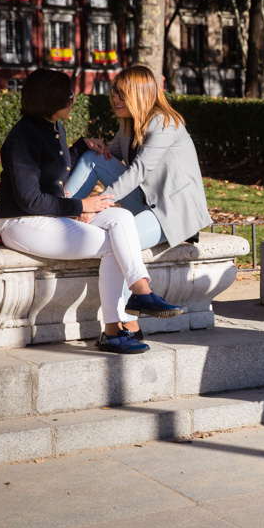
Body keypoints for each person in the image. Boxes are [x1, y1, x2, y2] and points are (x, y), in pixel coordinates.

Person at [0, 68, 183, 355]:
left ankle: (140, 291)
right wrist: (80, 206)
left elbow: (54, 169)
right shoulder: (22, 138)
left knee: (122, 218)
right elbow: (29, 200)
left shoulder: (53, 126)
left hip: (49, 217)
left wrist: (81, 146)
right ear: (49, 99)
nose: (73, 98)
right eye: (68, 95)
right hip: (22, 223)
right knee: (112, 246)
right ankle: (113, 328)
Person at [63, 65, 212, 340]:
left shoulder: (166, 123)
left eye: (121, 93)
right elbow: (108, 157)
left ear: (139, 94)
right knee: (93, 158)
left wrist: (97, 203)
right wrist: (87, 146)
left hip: (171, 212)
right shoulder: (129, 124)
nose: (115, 99)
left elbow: (138, 171)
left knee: (118, 241)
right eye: (114, 93)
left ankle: (125, 324)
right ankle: (60, 210)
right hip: (147, 202)